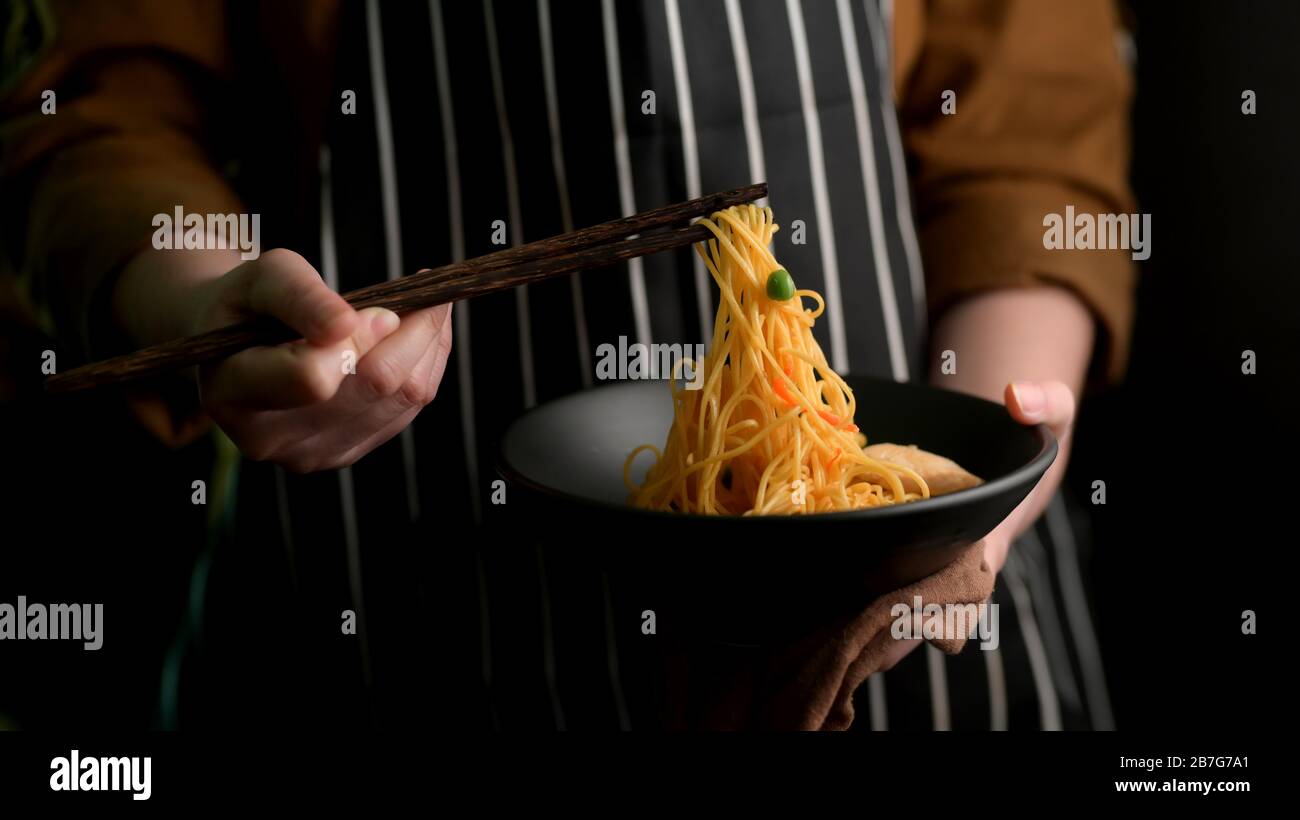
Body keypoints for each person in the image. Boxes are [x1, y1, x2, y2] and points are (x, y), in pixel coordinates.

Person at [0, 0, 1134, 729]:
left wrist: (972, 495)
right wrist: (212, 299)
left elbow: (1026, 132)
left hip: (902, 597)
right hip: (387, 588)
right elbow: (110, 109)